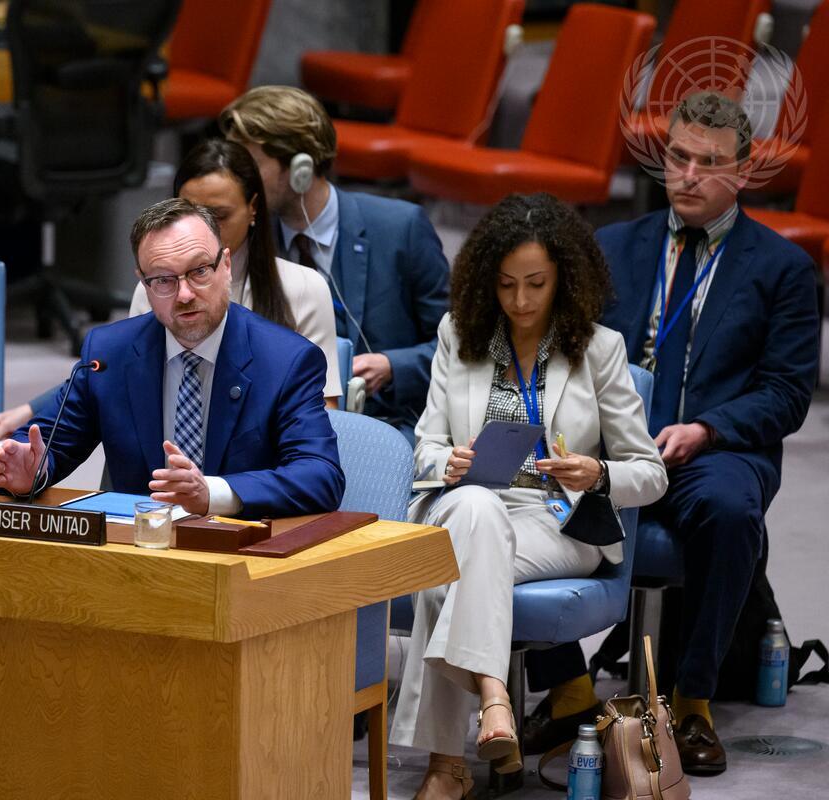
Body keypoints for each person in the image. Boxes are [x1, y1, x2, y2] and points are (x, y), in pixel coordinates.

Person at [522, 91, 820, 775]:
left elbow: (785, 393)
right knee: (522, 486)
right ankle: (568, 691)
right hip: (610, 444)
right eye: (678, 157)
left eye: (708, 164)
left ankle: (691, 701)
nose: (687, 176)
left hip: (713, 450)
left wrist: (707, 429)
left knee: (730, 510)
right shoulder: (611, 249)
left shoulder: (782, 268)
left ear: (742, 171)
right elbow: (562, 351)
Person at [389, 193, 667, 800]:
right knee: (476, 509)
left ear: (563, 277)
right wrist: (447, 461)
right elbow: (425, 445)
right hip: (465, 504)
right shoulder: (458, 334)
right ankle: (495, 697)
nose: (519, 301)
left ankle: (447, 768)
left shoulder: (599, 349)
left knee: (446, 571)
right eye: (506, 284)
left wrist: (596, 472)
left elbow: (651, 473)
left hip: (557, 521)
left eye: (535, 284)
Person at [0, 198, 345, 517]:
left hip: (244, 551)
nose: (185, 294)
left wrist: (212, 494)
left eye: (199, 271)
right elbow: (45, 443)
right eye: (163, 280)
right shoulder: (109, 353)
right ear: (143, 283)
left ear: (225, 266)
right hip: (138, 551)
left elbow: (320, 475)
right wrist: (30, 470)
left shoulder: (286, 361)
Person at [0, 138, 343, 441]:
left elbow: (321, 421)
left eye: (218, 215)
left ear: (252, 209)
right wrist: (33, 411)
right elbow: (114, 382)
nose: (202, 225)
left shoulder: (303, 289)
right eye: (188, 210)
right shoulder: (157, 288)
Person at [218, 85, 450, 442]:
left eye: (251, 166)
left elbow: (461, 346)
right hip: (281, 429)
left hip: (387, 423)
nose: (239, 182)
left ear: (301, 168)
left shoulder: (401, 228)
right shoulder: (247, 238)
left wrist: (393, 366)